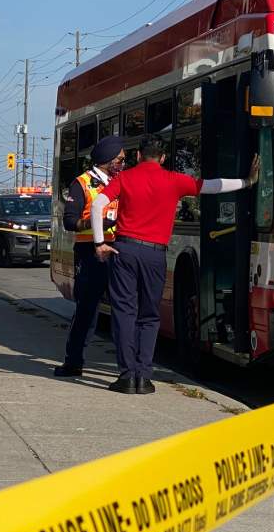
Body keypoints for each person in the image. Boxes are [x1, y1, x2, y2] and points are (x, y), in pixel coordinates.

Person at [89, 135, 259, 394]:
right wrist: (247, 182)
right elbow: (212, 186)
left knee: (124, 313)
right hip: (155, 254)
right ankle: (144, 377)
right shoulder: (174, 180)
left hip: (125, 250)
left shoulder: (124, 178)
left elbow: (97, 204)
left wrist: (99, 243)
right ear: (163, 157)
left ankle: (126, 376)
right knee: (149, 315)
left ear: (138, 155)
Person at [53, 135, 126, 377]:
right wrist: (94, 223)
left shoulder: (121, 181)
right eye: (120, 160)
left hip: (119, 249)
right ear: (107, 159)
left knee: (123, 310)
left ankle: (127, 369)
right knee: (87, 309)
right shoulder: (82, 183)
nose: (123, 164)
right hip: (90, 254)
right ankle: (73, 361)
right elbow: (69, 221)